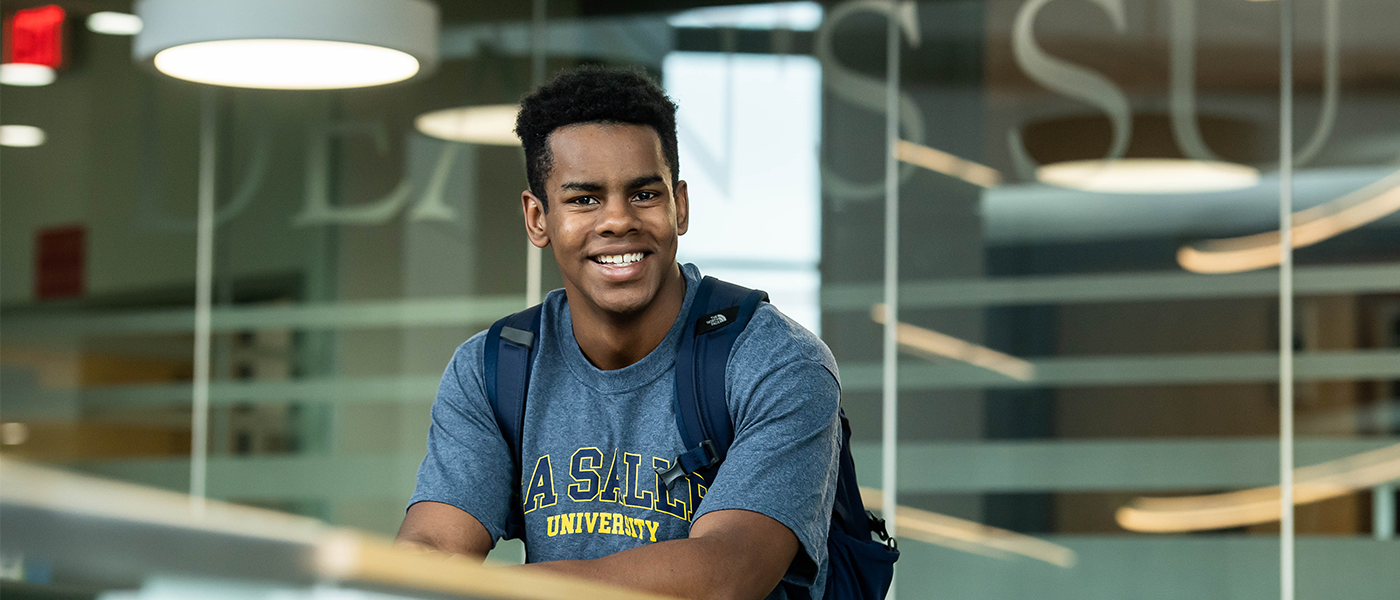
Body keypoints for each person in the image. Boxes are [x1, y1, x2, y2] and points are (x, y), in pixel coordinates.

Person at [396, 65, 842, 600]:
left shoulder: (776, 363)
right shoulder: (493, 370)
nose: (617, 220)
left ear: (679, 205)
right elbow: (429, 551)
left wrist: (488, 588)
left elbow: (726, 574)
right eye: (584, 199)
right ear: (537, 218)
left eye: (644, 195)